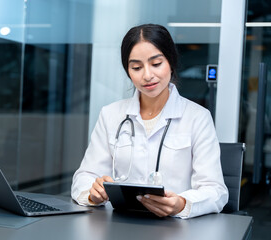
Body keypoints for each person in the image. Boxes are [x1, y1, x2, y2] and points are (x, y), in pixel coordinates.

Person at [71, 23, 228, 219]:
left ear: (171, 62)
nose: (147, 75)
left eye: (156, 64)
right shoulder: (110, 115)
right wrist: (92, 193)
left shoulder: (198, 117)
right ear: (128, 70)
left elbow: (216, 191)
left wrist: (181, 204)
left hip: (176, 229)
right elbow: (84, 176)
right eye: (136, 67)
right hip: (119, 225)